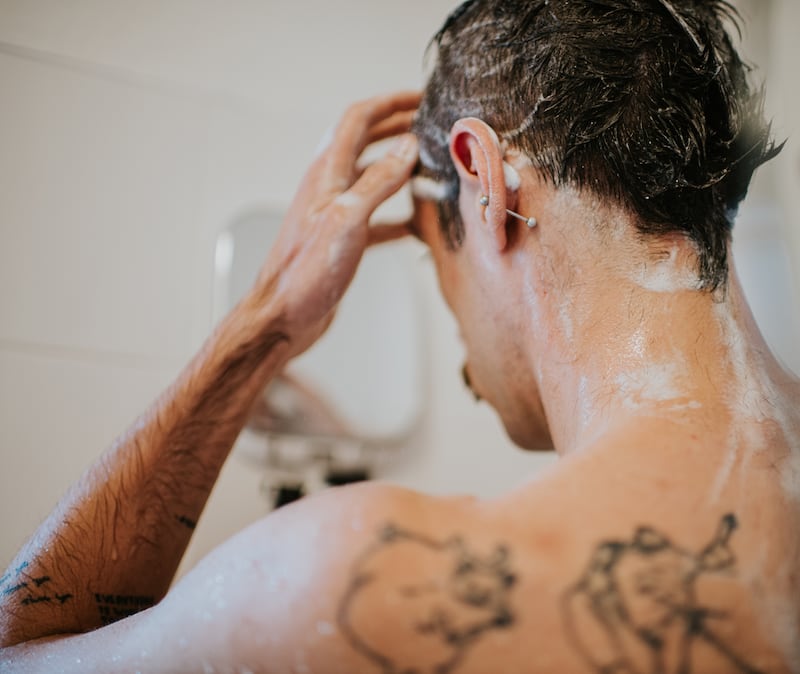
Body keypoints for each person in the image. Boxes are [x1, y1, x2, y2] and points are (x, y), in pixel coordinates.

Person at [1, 1, 798, 672]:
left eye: (427, 242)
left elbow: (21, 645)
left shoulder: (364, 584)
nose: (463, 367)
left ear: (485, 183)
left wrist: (265, 320)